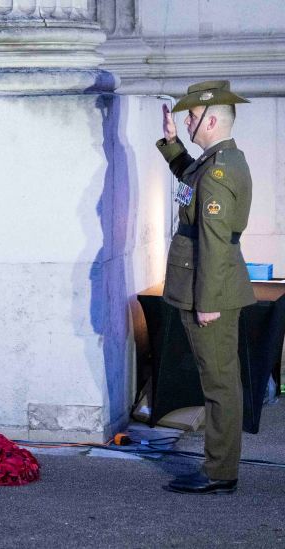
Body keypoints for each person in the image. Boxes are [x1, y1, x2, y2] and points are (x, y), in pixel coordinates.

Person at [156, 81, 255, 494]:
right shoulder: (218, 162)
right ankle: (220, 468)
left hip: (210, 290)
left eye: (192, 118)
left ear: (212, 120)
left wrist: (207, 302)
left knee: (218, 384)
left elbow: (213, 243)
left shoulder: (217, 172)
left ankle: (219, 472)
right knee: (219, 380)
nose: (188, 122)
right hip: (208, 285)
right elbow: (188, 180)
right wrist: (172, 143)